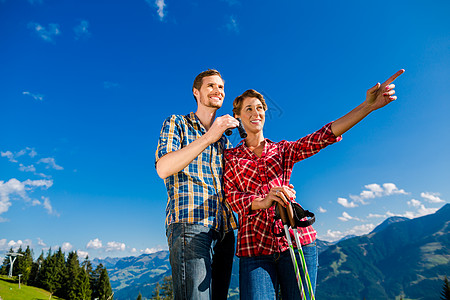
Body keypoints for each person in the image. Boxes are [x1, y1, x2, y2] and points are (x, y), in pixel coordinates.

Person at [224, 69, 405, 300]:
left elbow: (323, 136)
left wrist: (367, 106)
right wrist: (262, 200)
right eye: (248, 109)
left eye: (259, 108)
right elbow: (230, 197)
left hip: (296, 243)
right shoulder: (231, 157)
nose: (255, 112)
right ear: (238, 116)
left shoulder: (282, 150)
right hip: (255, 249)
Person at [155, 69, 240, 300]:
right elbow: (163, 168)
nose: (218, 91)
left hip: (224, 230)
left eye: (221, 87)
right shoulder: (177, 123)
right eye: (211, 86)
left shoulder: (226, 141)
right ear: (196, 92)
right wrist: (208, 137)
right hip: (190, 225)